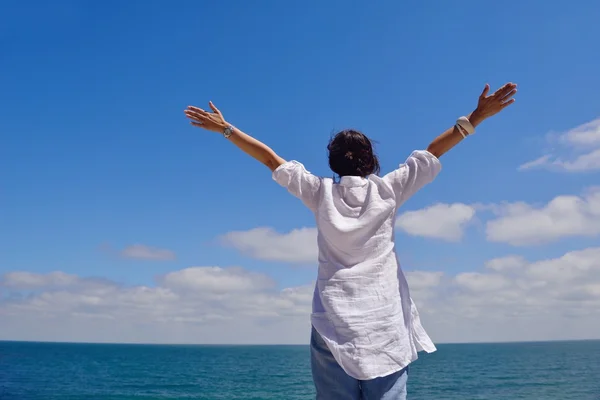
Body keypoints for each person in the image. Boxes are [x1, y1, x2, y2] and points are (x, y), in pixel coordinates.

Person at [184, 82, 517, 400]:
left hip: (331, 322)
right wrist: (476, 117)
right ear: (370, 159)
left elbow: (272, 160)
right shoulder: (389, 190)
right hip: (384, 324)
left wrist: (227, 130)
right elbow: (433, 152)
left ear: (333, 162)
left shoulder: (319, 192)